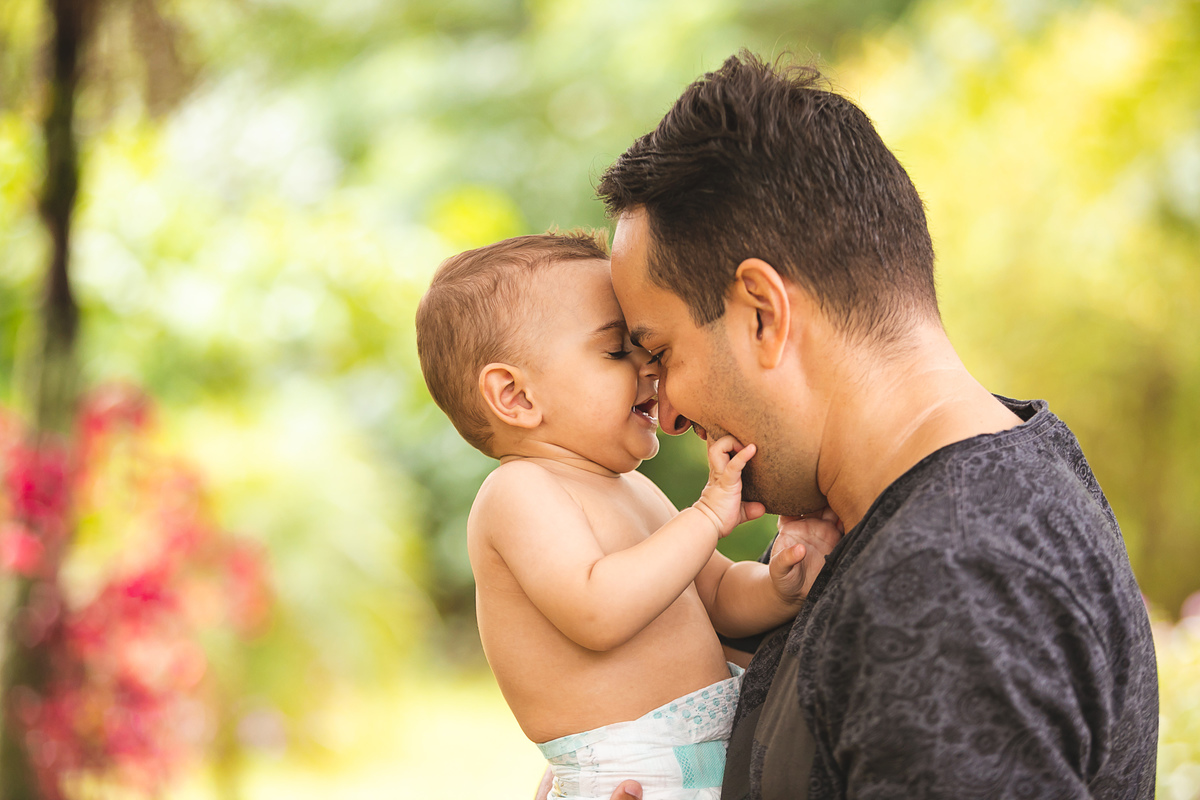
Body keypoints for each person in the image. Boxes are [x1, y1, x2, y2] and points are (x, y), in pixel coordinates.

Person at [591, 52, 1158, 800]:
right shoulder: (950, 504)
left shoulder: (947, 579)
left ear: (763, 312)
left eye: (661, 353)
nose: (662, 409)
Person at [414, 231, 843, 800]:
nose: (650, 368)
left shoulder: (633, 489)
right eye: (618, 350)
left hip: (710, 759)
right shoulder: (518, 493)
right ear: (515, 397)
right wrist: (709, 514)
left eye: (649, 349)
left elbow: (715, 595)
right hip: (634, 777)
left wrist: (776, 587)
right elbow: (597, 611)